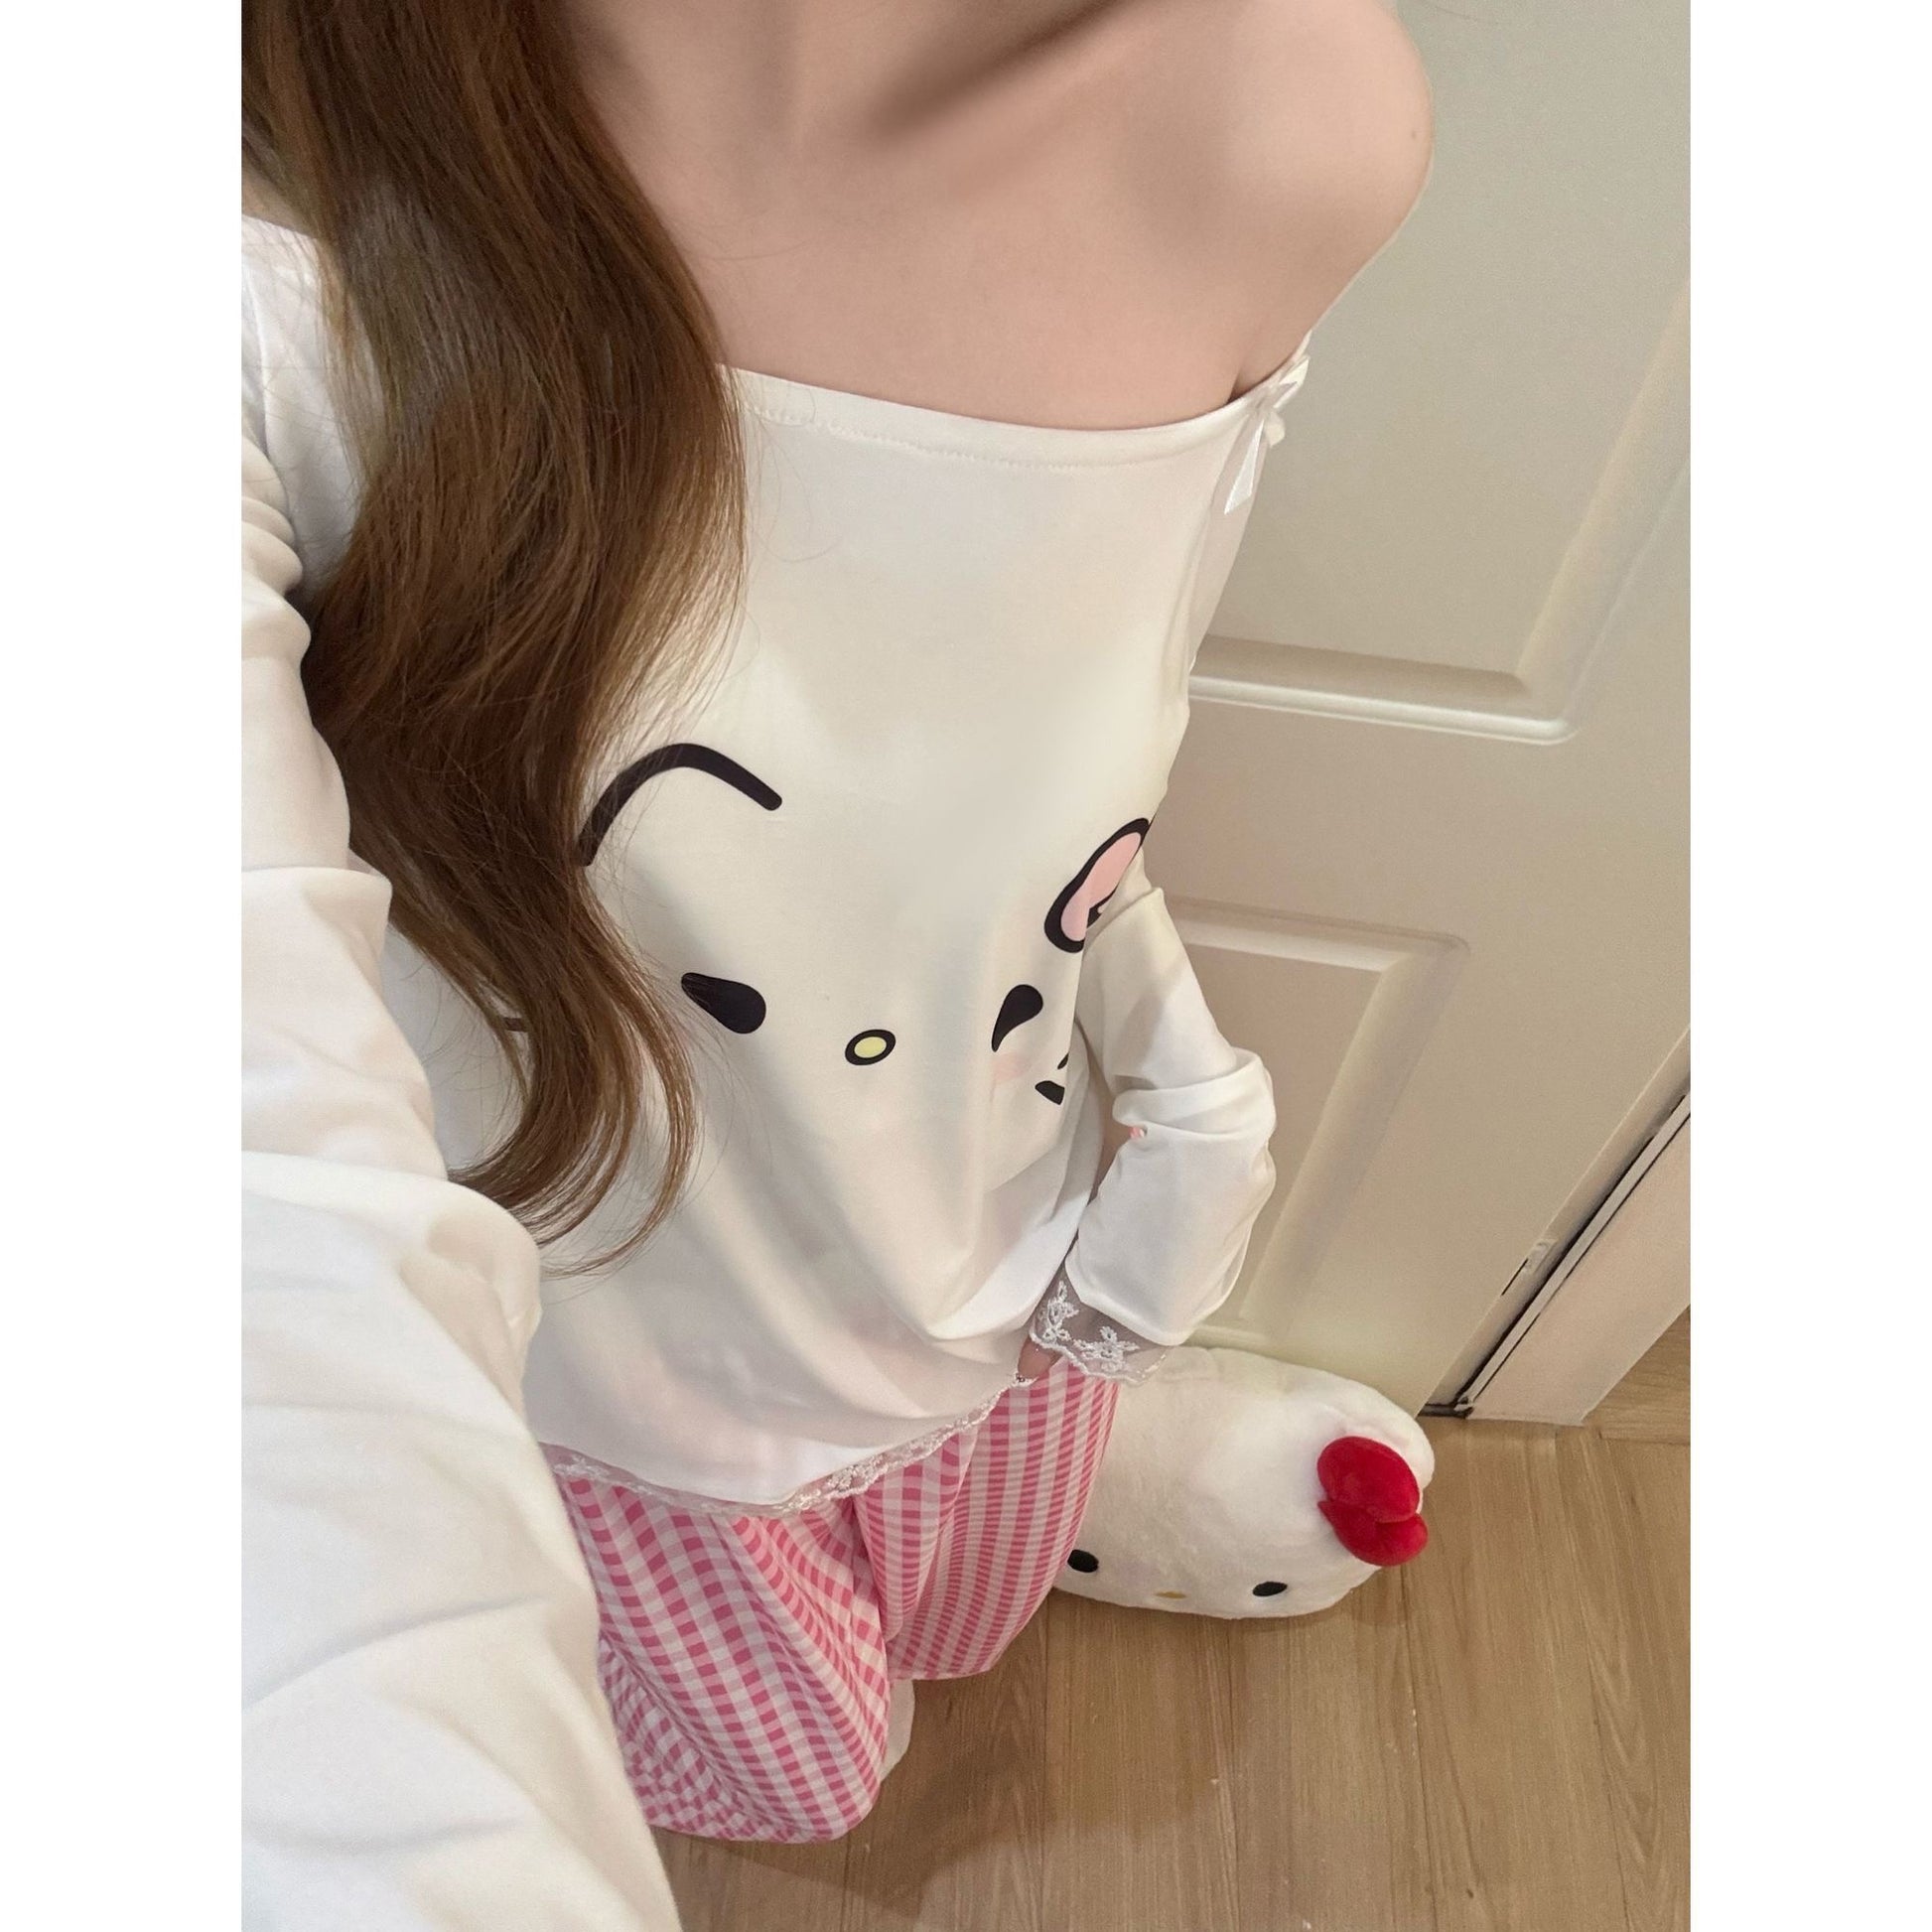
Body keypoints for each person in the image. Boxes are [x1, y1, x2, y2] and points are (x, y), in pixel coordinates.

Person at [241, 0, 1433, 1920]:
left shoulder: (1276, 109)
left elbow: (1053, 830)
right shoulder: (255, 246)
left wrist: (1188, 1114)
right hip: (626, 1368)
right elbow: (246, 1195)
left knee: (964, 1592)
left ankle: (1050, 1511)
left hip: (991, 1239)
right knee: (800, 1764)